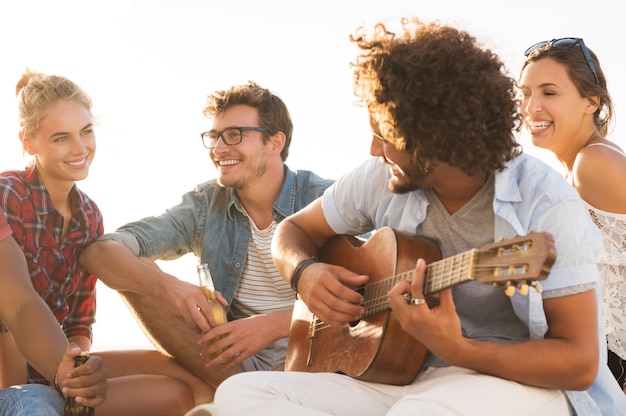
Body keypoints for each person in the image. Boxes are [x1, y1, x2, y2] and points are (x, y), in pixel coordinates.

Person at [192, 17, 626, 416]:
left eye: (386, 136)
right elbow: (294, 230)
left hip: (516, 382)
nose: (374, 150)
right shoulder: (379, 177)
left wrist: (459, 350)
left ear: (436, 137)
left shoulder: (545, 202)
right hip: (401, 378)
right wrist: (304, 272)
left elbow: (580, 362)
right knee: (241, 395)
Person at [79, 81, 334, 390]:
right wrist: (169, 288)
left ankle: (254, 397)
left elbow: (372, 288)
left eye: (234, 135)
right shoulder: (204, 205)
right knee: (138, 272)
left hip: (317, 357)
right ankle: (249, 394)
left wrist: (274, 326)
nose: (218, 149)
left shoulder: (323, 197)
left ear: (275, 143)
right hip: (232, 362)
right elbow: (100, 253)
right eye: (214, 137)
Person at [0, 69, 213, 415]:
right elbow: (15, 311)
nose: (80, 148)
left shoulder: (88, 215)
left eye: (86, 132)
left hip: (59, 362)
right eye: (61, 138)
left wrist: (78, 365)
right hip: (14, 361)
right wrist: (59, 377)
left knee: (189, 385)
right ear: (29, 143)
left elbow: (80, 321)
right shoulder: (7, 195)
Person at [519, 37, 626, 394]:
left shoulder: (593, 163)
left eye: (549, 93)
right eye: (526, 93)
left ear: (590, 101)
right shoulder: (575, 171)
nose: (532, 106)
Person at [0, 208, 107, 415]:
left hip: (19, 396)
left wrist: (65, 373)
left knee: (39, 402)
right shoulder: (10, 192)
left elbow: (19, 305)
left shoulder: (89, 215)